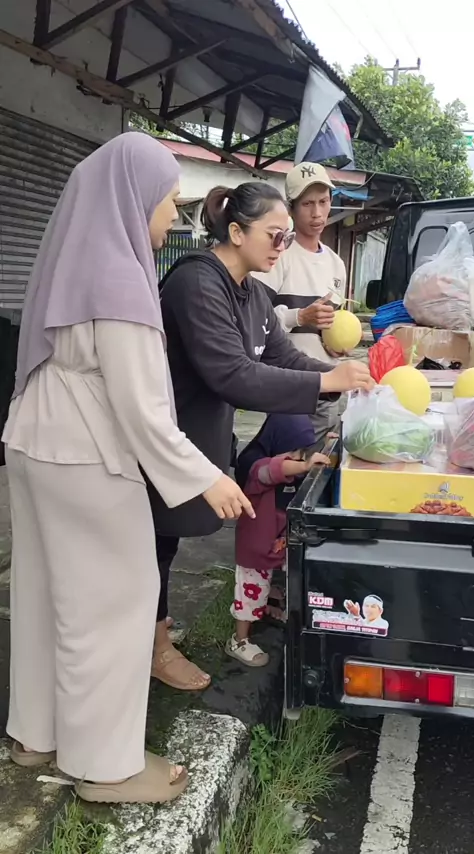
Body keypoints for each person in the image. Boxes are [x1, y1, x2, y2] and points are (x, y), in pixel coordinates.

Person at [2, 132, 253, 805]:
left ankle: (36, 733)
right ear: (133, 198)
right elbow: (142, 411)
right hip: (86, 453)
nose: (172, 214)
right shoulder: (121, 278)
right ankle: (106, 766)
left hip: (33, 440)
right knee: (116, 601)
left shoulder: (69, 261)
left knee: (45, 591)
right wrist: (208, 476)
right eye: (167, 199)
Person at [147, 181, 374, 692]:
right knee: (152, 542)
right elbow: (233, 374)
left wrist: (342, 377)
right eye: (275, 235)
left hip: (201, 432)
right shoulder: (197, 283)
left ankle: (152, 623)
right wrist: (325, 382)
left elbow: (283, 357)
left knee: (165, 542)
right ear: (236, 231)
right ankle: (154, 646)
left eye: (286, 237)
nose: (282, 246)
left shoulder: (251, 293)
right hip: (162, 436)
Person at [255, 162, 348, 445]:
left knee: (319, 463)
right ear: (291, 208)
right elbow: (255, 320)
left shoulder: (336, 264)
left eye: (323, 201)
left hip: (329, 388)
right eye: (307, 204)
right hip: (291, 390)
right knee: (289, 463)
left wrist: (337, 344)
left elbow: (333, 326)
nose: (317, 213)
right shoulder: (276, 256)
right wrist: (299, 317)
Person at [227, 413, 331, 667]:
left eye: (301, 452)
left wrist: (327, 445)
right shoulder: (255, 467)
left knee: (285, 579)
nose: (297, 457)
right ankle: (239, 640)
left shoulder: (295, 464)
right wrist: (303, 465)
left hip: (280, 541)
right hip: (256, 548)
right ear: (276, 442)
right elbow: (273, 470)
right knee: (250, 593)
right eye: (293, 451)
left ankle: (270, 604)